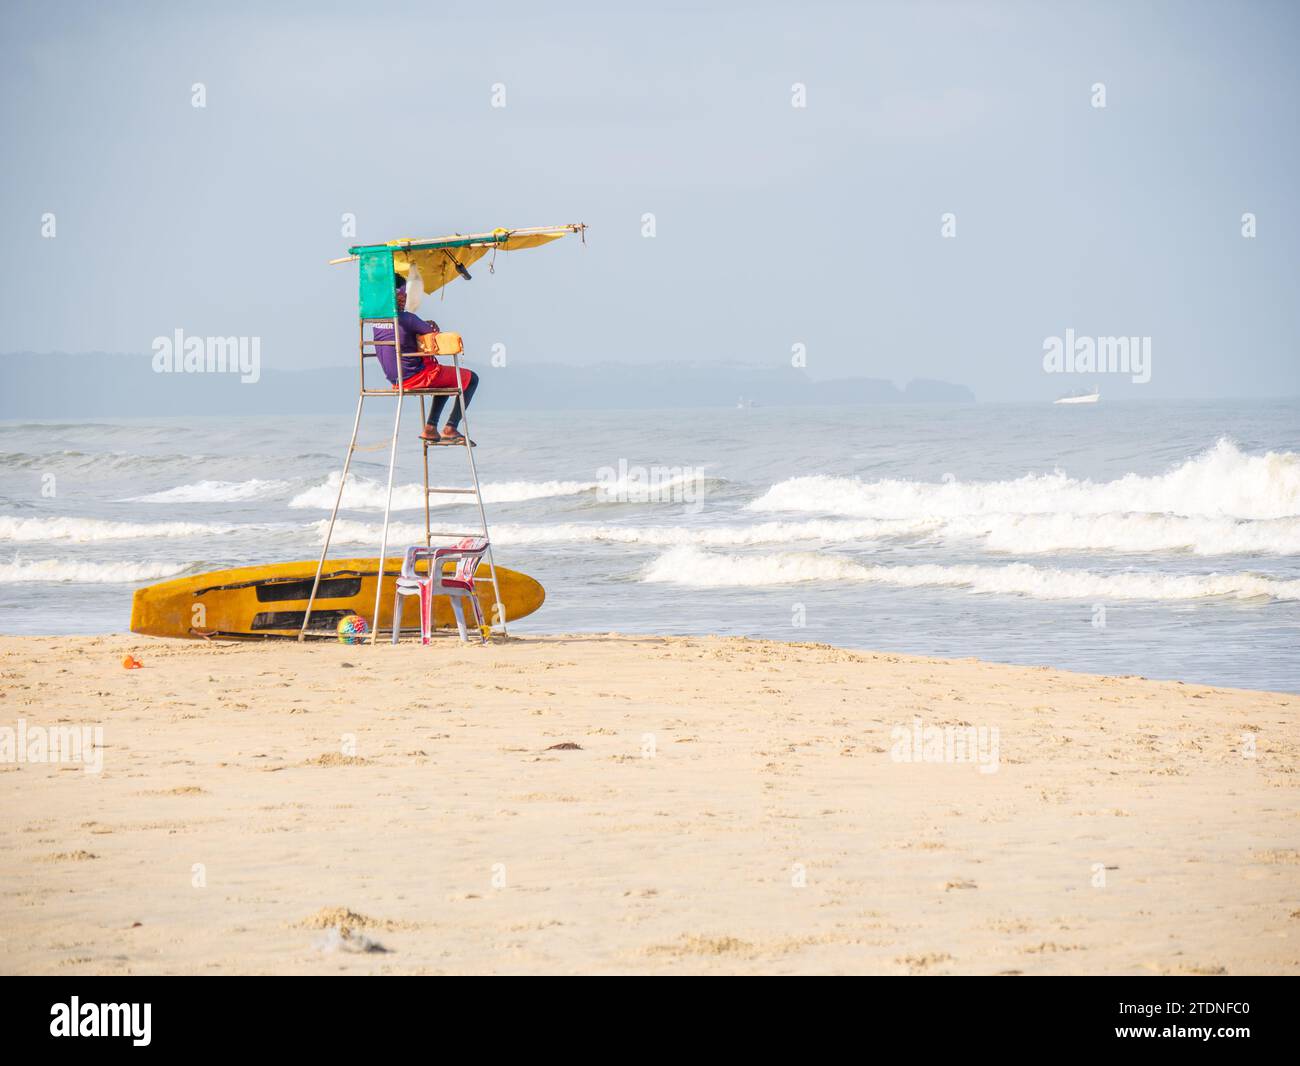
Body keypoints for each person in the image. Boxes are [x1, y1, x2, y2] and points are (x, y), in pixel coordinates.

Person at [373, 275, 480, 443]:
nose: (404, 298)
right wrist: (430, 325)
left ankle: (431, 428)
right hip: (417, 377)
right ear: (396, 296)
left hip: (396, 380)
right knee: (472, 378)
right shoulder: (407, 318)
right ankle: (451, 428)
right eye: (401, 295)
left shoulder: (377, 320)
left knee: (445, 380)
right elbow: (433, 334)